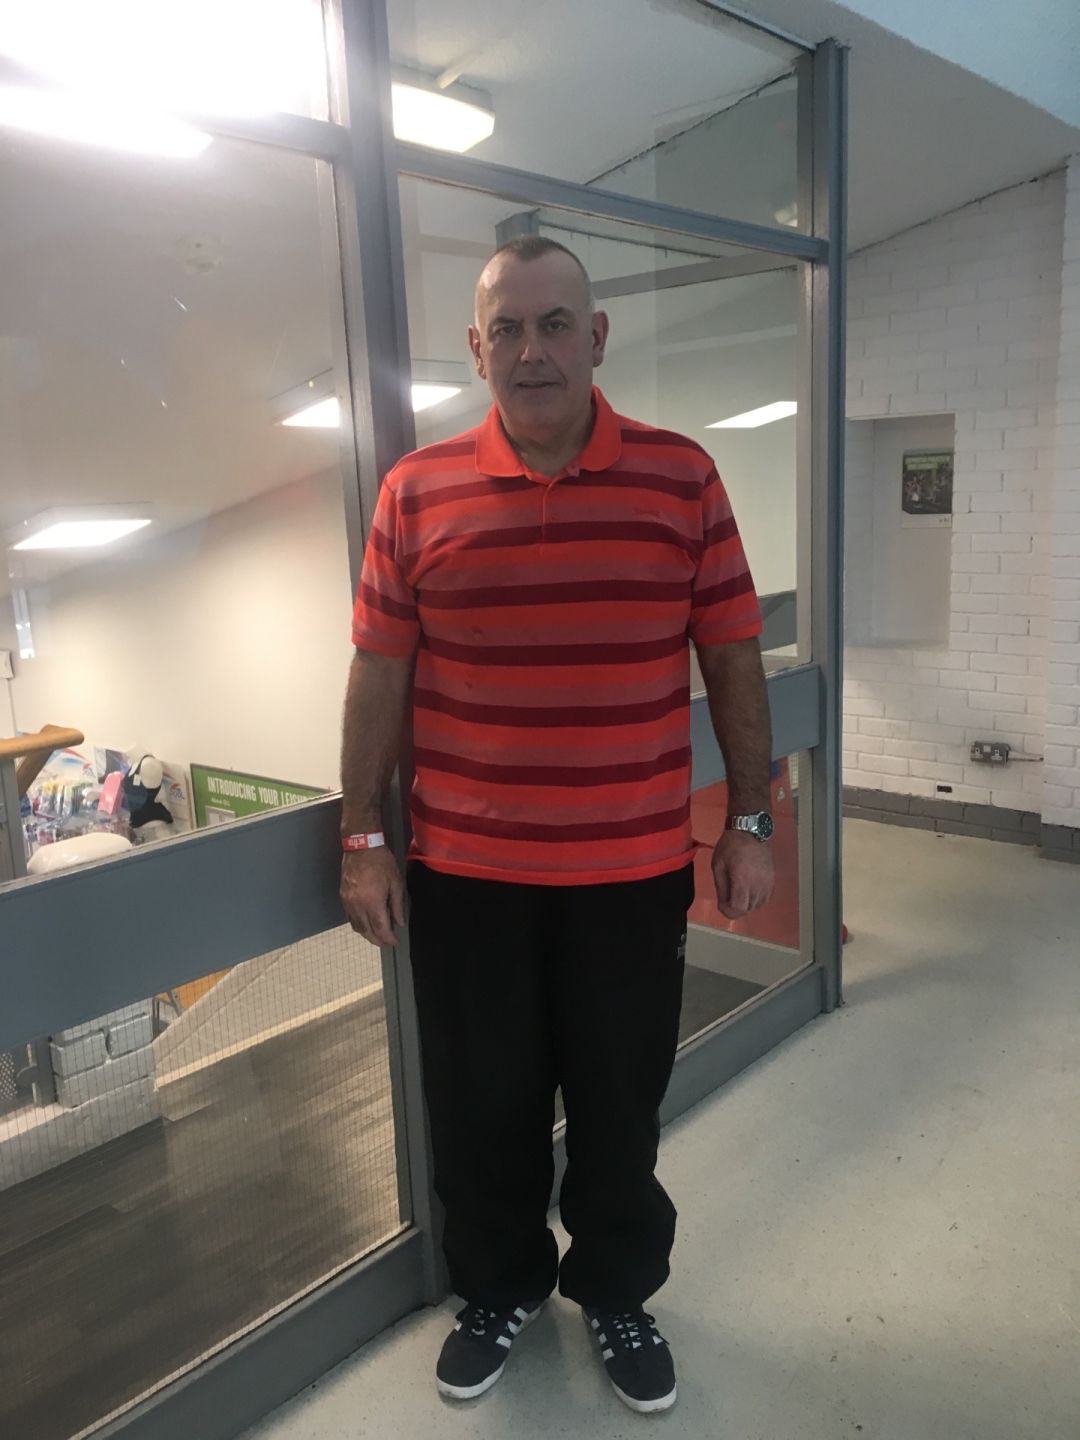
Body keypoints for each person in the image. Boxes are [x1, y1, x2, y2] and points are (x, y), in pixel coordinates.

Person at [340, 236, 775, 1415]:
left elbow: (733, 656)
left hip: (629, 874)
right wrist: (362, 838)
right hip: (467, 877)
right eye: (507, 330)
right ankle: (500, 1289)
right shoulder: (415, 490)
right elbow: (378, 673)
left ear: (597, 337)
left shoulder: (680, 478)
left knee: (619, 1105)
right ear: (475, 350)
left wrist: (751, 817)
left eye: (554, 324)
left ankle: (619, 1291)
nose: (531, 351)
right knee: (484, 1106)